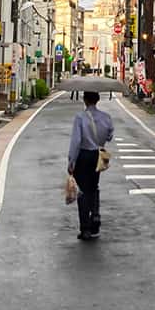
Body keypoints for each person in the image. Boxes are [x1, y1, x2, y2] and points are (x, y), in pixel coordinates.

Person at [67, 90, 114, 240]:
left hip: (84, 155)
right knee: (94, 186)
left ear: (85, 100)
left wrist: (71, 161)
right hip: (98, 155)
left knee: (82, 191)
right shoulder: (106, 117)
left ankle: (85, 228)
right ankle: (95, 215)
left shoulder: (80, 118)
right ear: (98, 99)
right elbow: (109, 136)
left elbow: (76, 141)